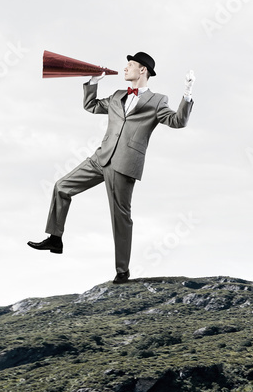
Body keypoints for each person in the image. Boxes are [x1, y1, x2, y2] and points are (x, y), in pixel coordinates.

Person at [27, 52, 195, 284]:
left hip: (125, 164)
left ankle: (122, 270)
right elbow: (91, 106)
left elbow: (178, 122)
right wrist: (93, 82)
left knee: (120, 218)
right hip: (101, 157)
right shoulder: (117, 96)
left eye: (130, 65)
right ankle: (55, 238)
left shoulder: (157, 101)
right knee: (61, 186)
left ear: (143, 70)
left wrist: (187, 94)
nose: (125, 69)